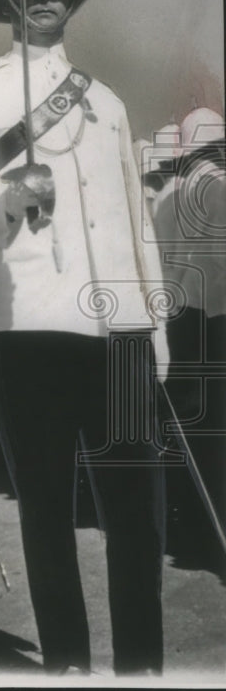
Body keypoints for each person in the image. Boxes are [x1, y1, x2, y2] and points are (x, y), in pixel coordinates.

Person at [0, 0, 167, 675]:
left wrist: (155, 331)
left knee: (138, 513)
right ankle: (67, 666)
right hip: (31, 323)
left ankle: (142, 668)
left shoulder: (107, 100)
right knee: (45, 509)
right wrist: (11, 192)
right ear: (8, 0)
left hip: (123, 331)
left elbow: (136, 222)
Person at [151, 107, 226, 571]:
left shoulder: (167, 195)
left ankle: (192, 524)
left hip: (178, 318)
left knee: (190, 429)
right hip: (214, 318)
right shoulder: (215, 185)